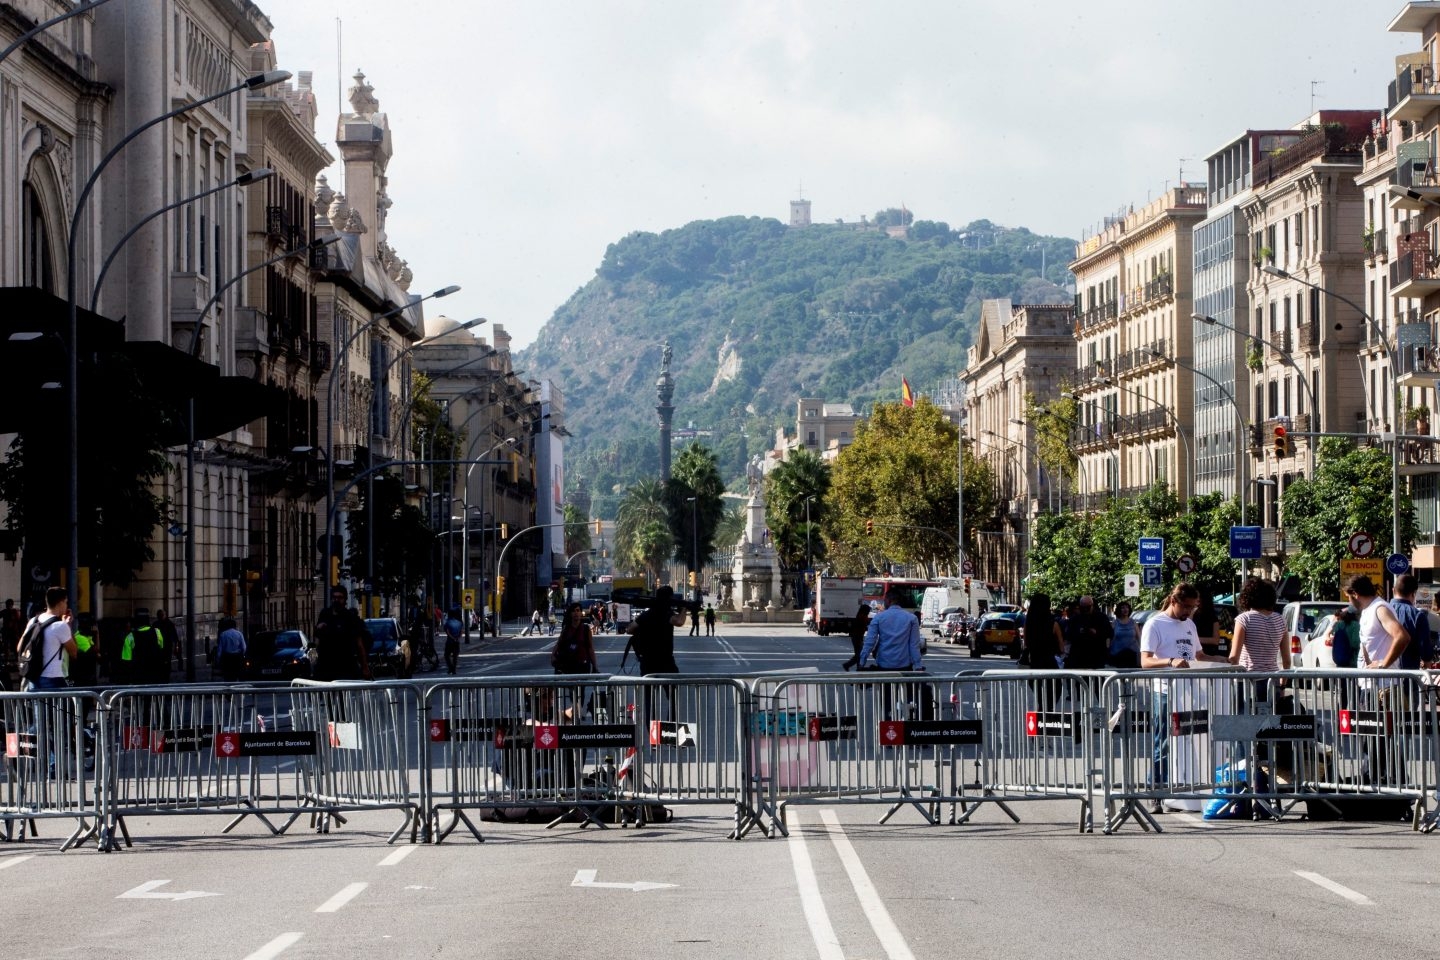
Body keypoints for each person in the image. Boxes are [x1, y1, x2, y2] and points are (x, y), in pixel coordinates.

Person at [1140, 582, 1228, 812]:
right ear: (1174, 601)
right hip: (1166, 692)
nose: (1189, 612)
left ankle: (1182, 791)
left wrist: (1220, 660)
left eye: (1193, 608)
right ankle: (1156, 791)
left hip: (1191, 693)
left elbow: (1198, 654)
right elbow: (1145, 661)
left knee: (1190, 741)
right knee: (1165, 742)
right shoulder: (1155, 624)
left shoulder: (1189, 624)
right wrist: (1169, 662)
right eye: (1186, 607)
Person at [1347, 575, 1411, 786]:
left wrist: (1384, 663)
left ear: (1354, 594)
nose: (1349, 602)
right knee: (1376, 740)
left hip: (1383, 687)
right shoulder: (1368, 611)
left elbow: (1401, 636)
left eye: (1349, 597)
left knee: (1379, 739)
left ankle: (1388, 784)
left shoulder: (1379, 608)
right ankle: (1382, 782)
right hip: (1371, 685)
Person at [1227, 577, 1289, 708]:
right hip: (1272, 680)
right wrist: (1282, 685)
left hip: (1247, 681)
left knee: (1243, 721)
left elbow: (1234, 657)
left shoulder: (1244, 619)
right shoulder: (1280, 620)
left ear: (1246, 597)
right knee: (1268, 724)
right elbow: (1287, 661)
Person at [20, 586, 77, 692]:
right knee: (59, 708)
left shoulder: (33, 621)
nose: (66, 605)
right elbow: (74, 652)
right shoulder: (60, 626)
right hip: (53, 678)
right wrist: (68, 625)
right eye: (66, 602)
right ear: (60, 603)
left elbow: (20, 647)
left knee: (38, 708)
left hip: (33, 677)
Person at [622, 586, 685, 675]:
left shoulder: (646, 614)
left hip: (648, 660)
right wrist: (684, 609)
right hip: (665, 660)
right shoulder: (666, 614)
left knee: (649, 687)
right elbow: (679, 621)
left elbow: (629, 630)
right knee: (671, 687)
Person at [314, 586, 371, 681]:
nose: (336, 600)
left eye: (340, 598)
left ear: (345, 600)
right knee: (325, 693)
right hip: (326, 665)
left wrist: (364, 666)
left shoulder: (350, 617)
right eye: (334, 597)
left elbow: (359, 643)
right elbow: (317, 639)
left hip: (345, 665)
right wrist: (319, 628)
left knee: (344, 693)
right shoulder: (325, 614)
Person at [858, 590, 923, 672]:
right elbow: (914, 644)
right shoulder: (912, 618)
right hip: (904, 665)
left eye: (884, 600)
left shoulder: (878, 618)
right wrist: (918, 665)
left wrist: (862, 662)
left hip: (884, 664)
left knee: (885, 684)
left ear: (888, 600)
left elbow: (869, 642)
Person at [1022, 593, 1066, 709]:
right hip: (1050, 665)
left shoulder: (1029, 623)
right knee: (1052, 697)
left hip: (1034, 665)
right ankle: (1048, 720)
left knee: (1041, 699)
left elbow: (1026, 643)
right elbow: (1062, 647)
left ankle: (1040, 720)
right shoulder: (1053, 624)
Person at [1390, 573, 1433, 670]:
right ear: (1414, 593)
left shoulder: (1380, 610)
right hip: (1408, 674)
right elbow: (1425, 650)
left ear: (1393, 590)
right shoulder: (1417, 615)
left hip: (1381, 675)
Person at [1063, 595, 1112, 670]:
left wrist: (1097, 632)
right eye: (1083, 607)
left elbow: (1109, 633)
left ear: (1092, 605)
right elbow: (1068, 635)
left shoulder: (1101, 617)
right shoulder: (1075, 618)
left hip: (1096, 655)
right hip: (1079, 656)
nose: (1085, 609)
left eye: (1088, 607)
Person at [552, 602, 597, 675]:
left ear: (581, 613)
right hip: (569, 666)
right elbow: (558, 644)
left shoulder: (585, 629)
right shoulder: (566, 629)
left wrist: (595, 666)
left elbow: (590, 648)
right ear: (570, 614)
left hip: (583, 665)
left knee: (581, 685)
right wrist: (553, 656)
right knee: (570, 685)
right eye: (573, 611)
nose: (576, 613)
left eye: (578, 610)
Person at [123, 608, 166, 685]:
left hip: (138, 674)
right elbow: (161, 648)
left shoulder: (130, 636)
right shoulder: (157, 632)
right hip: (154, 672)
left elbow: (126, 659)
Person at [841, 599, 871, 671]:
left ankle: (857, 667)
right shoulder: (862, 616)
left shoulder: (860, 615)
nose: (869, 613)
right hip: (857, 637)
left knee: (859, 653)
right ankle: (848, 665)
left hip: (857, 637)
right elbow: (864, 625)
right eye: (868, 611)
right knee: (859, 654)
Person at [70, 614, 99, 687]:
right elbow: (96, 650)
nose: (93, 628)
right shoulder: (80, 638)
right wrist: (96, 634)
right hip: (83, 677)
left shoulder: (87, 637)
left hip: (89, 675)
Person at [1109, 601, 1139, 668]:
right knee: (1120, 676)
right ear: (1119, 610)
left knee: (1131, 676)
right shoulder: (1115, 623)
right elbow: (1110, 639)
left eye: (1127, 607)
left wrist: (1140, 652)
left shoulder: (1133, 622)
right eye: (1123, 608)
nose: (1125, 609)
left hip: (1132, 655)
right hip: (1118, 655)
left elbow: (1139, 638)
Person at [215, 617, 247, 682]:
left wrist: (218, 660)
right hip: (237, 658)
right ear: (235, 626)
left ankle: (229, 690)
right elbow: (244, 647)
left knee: (228, 677)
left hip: (227, 658)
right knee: (238, 676)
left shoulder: (223, 634)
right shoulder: (239, 634)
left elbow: (220, 650)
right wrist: (242, 655)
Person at [153, 608, 180, 680]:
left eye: (162, 615)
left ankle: (165, 676)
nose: (161, 616)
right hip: (159, 647)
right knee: (161, 662)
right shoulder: (156, 624)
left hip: (167, 647)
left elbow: (175, 637)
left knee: (167, 662)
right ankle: (163, 676)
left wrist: (176, 647)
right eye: (160, 615)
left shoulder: (169, 624)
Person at [444, 606, 463, 675]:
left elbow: (447, 632)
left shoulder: (448, 622)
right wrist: (457, 638)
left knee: (446, 655)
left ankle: (450, 667)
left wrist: (452, 638)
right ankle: (453, 669)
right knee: (455, 656)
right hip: (457, 641)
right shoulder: (459, 622)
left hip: (450, 641)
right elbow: (461, 632)